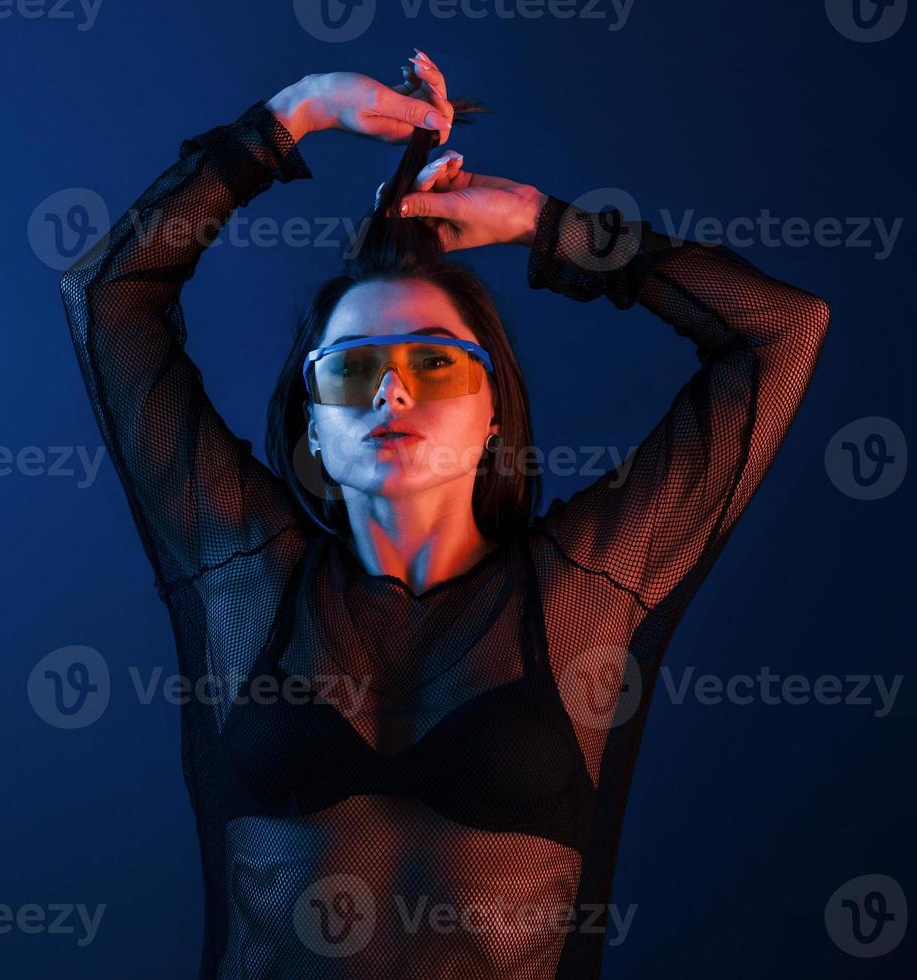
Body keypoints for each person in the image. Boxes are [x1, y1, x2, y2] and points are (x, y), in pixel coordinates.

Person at [58, 51, 829, 979]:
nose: (392, 395)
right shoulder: (245, 574)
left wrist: (552, 228)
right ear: (312, 423)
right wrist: (292, 116)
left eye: (434, 364)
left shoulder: (589, 586)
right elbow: (109, 298)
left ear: (494, 406)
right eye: (352, 370)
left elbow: (782, 330)